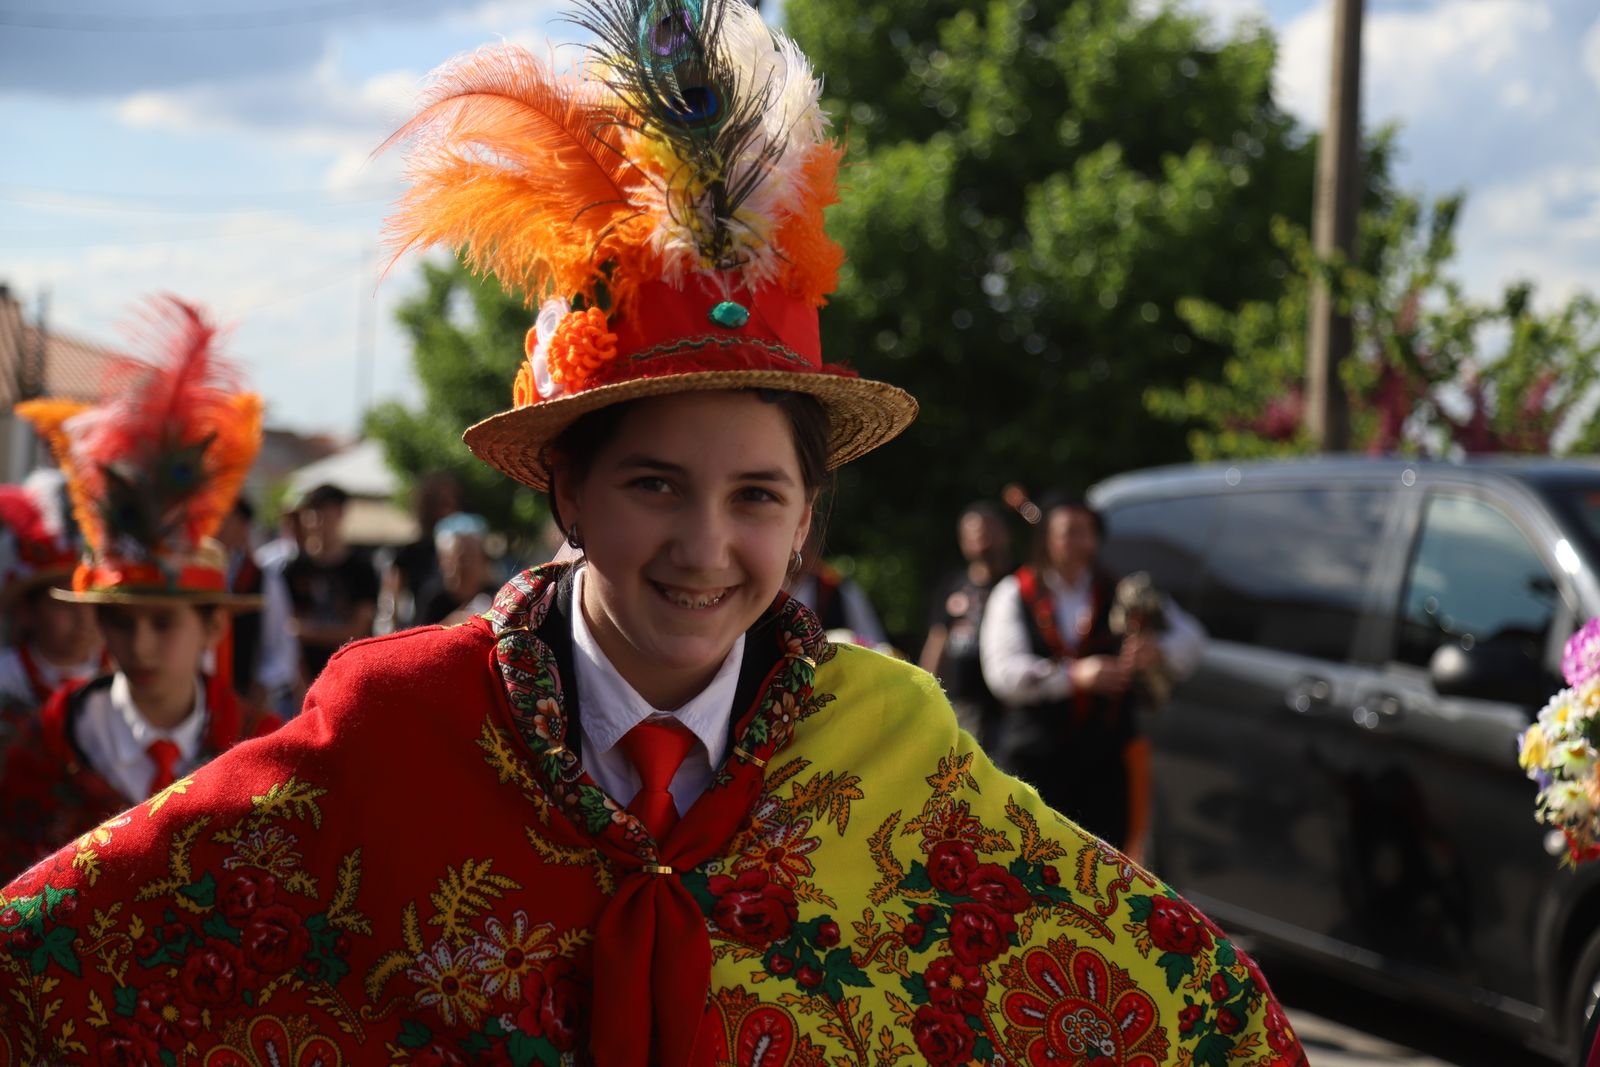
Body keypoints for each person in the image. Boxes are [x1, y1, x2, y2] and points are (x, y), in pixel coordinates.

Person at [0, 6, 1307, 1065]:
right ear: (567, 491)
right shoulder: (401, 722)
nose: (704, 543)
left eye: (757, 496)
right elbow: (90, 940)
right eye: (653, 485)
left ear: (807, 517)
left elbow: (1162, 986)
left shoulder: (892, 742)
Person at [0, 296, 280, 877]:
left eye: (163, 623)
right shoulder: (42, 749)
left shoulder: (263, 751)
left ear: (214, 625)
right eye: (121, 622)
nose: (141, 646)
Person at [980, 492, 1205, 863]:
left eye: (1088, 532)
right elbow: (1003, 673)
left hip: (1106, 764)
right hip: (1036, 762)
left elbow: (1193, 639)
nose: (1082, 542)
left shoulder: (1120, 589)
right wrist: (1073, 676)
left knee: (1104, 871)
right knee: (1033, 869)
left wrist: (1156, 650)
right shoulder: (1014, 593)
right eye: (1070, 532)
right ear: (1047, 540)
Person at [0, 469, 103, 716]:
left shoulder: (124, 681)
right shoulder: (5, 680)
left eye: (91, 601)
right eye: (64, 603)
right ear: (26, 612)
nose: (83, 617)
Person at [919, 501, 1011, 745]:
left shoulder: (1016, 584)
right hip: (961, 704)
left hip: (1004, 705)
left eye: (988, 532)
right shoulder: (952, 585)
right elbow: (937, 639)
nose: (982, 540)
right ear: (963, 541)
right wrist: (924, 691)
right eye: (974, 534)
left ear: (1003, 535)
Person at [282, 482, 378, 684]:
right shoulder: (292, 570)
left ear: (340, 514)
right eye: (313, 512)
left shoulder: (362, 570)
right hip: (301, 677)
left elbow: (358, 631)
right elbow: (286, 632)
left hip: (350, 675)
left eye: (325, 512)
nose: (318, 520)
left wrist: (305, 632)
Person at [379, 469, 464, 632]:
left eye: (454, 501)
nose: (449, 509)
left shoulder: (465, 553)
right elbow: (390, 606)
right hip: (423, 635)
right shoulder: (409, 554)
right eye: (442, 503)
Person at [788, 528, 890, 647]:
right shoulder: (766, 593)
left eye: (803, 539)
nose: (797, 548)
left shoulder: (841, 591)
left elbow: (877, 647)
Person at [416, 512, 501, 625]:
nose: (465, 565)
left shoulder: (497, 597)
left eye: (472, 556)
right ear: (441, 561)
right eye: (459, 558)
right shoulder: (433, 598)